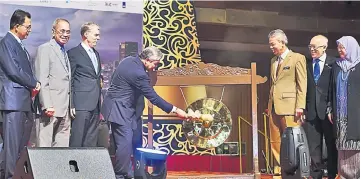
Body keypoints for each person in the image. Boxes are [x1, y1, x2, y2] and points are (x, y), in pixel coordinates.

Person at [101, 46, 188, 179]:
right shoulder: (139, 74)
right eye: (155, 64)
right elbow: (153, 97)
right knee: (124, 146)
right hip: (120, 110)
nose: (155, 67)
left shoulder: (128, 60)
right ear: (147, 60)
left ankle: (133, 174)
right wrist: (175, 110)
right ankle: (120, 176)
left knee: (133, 142)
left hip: (125, 110)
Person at [0, 9, 41, 178]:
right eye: (27, 26)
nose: (30, 30)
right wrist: (34, 83)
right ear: (16, 26)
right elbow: (14, 71)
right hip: (13, 102)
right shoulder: (6, 43)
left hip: (23, 102)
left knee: (19, 146)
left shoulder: (19, 44)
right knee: (11, 146)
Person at [266, 29, 307, 174]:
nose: (271, 48)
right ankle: (280, 169)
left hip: (290, 107)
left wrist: (300, 106)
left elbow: (302, 84)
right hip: (274, 107)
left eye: (273, 44)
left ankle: (295, 169)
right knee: (275, 140)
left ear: (282, 42)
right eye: (270, 45)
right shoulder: (273, 61)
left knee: (292, 139)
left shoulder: (297, 58)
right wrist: (269, 105)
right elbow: (274, 84)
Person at [303, 35, 337, 179]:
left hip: (328, 112)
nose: (312, 50)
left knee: (331, 144)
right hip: (311, 112)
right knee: (313, 147)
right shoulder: (307, 64)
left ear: (324, 47)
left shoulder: (334, 63)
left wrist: (332, 108)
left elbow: (335, 89)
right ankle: (315, 174)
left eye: (315, 47)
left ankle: (331, 173)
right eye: (310, 46)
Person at [34, 18, 72, 147]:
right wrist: (47, 105)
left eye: (68, 32)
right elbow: (42, 78)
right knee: (44, 149)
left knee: (62, 149)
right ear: (53, 31)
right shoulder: (45, 49)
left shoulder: (64, 52)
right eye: (62, 31)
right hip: (50, 108)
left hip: (65, 109)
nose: (65, 34)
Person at [328, 36, 359, 179]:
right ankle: (344, 175)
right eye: (338, 47)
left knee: (355, 145)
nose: (339, 50)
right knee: (342, 147)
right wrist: (330, 109)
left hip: (356, 113)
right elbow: (331, 89)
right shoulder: (336, 66)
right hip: (340, 114)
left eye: (343, 47)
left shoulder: (359, 66)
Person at [67, 22, 102, 147]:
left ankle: (87, 166)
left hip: (95, 105)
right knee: (77, 139)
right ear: (86, 34)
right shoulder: (74, 53)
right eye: (96, 35)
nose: (98, 38)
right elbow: (70, 80)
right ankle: (72, 166)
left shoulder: (96, 54)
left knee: (90, 141)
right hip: (81, 105)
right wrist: (71, 104)